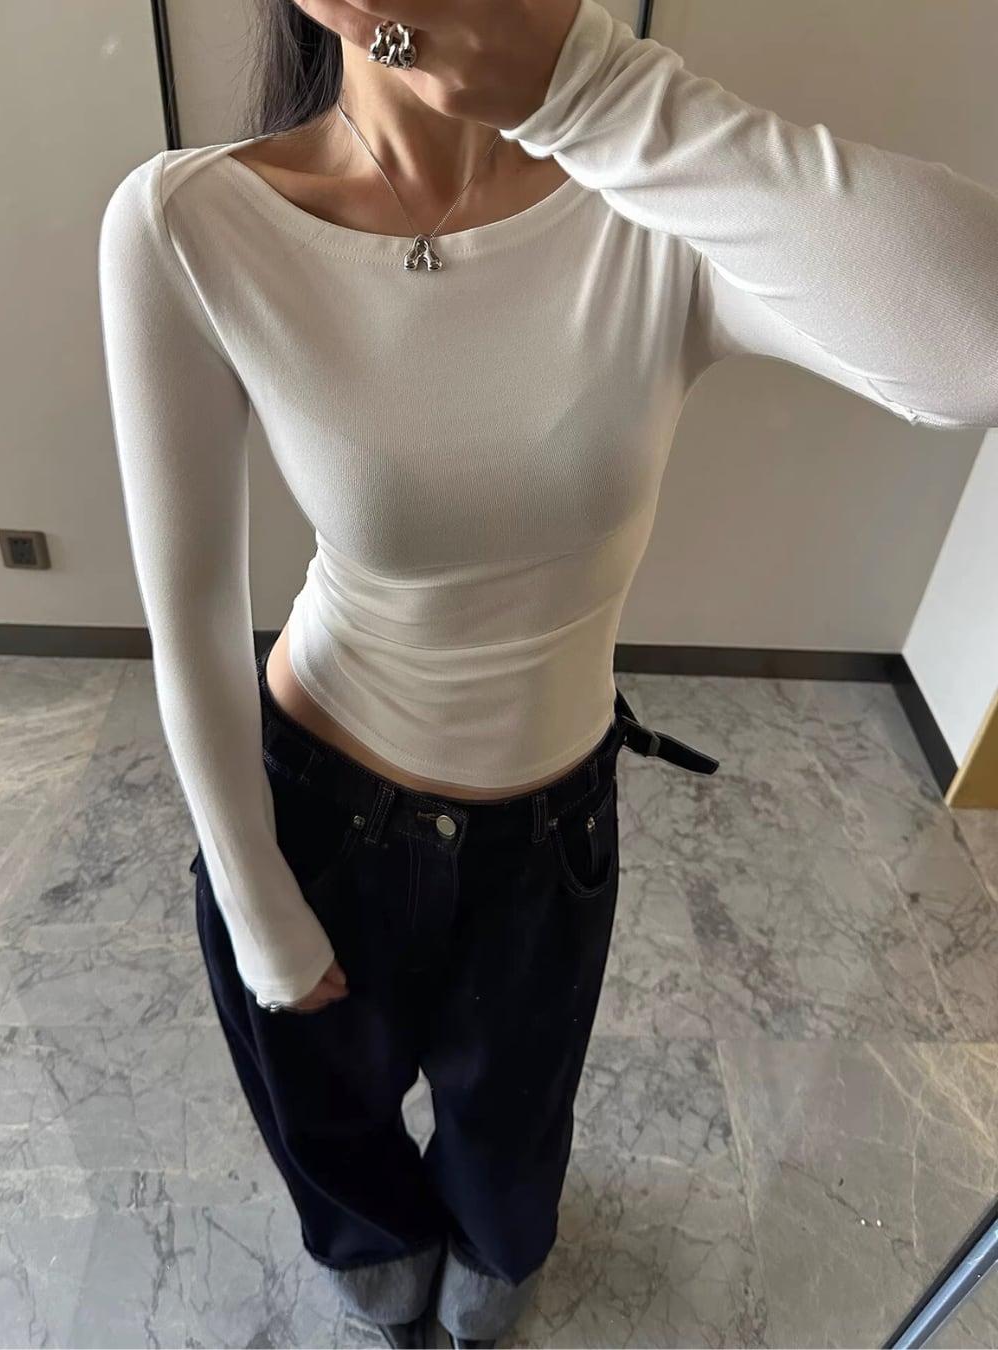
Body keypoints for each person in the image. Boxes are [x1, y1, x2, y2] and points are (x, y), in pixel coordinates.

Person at [96, 0, 998, 1344]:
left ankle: (484, 1267)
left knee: (512, 1148)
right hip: (321, 803)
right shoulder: (188, 222)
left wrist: (597, 93)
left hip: (551, 829)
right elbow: (189, 609)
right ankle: (376, 1247)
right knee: (330, 1127)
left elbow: (975, 351)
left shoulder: (648, 199)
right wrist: (251, 891)